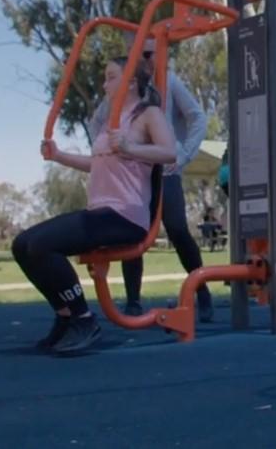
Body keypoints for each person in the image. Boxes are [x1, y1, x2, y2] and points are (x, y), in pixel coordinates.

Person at [13, 57, 176, 354]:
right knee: (22, 244)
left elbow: (169, 152)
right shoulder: (109, 123)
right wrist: (59, 156)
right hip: (100, 211)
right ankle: (65, 317)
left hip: (125, 215)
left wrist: (130, 148)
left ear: (131, 82)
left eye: (110, 77)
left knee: (42, 246)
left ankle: (84, 319)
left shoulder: (147, 114)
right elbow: (98, 165)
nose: (104, 84)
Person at [88, 35, 213, 323]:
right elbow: (96, 121)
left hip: (165, 169)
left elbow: (198, 117)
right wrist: (105, 151)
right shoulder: (127, 89)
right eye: (140, 55)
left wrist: (182, 156)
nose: (146, 61)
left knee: (178, 229)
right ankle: (133, 301)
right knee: (134, 229)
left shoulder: (169, 81)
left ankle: (203, 293)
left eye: (149, 55)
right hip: (135, 171)